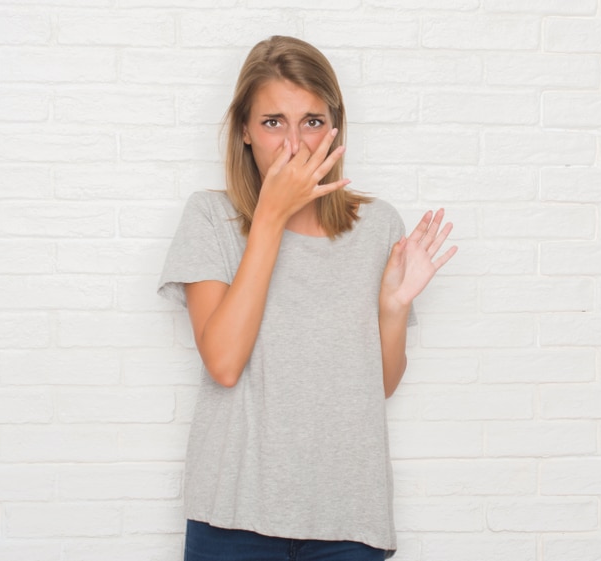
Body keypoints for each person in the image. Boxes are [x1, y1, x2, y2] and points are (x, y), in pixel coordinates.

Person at [158, 35, 456, 561]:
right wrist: (270, 217)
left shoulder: (376, 225)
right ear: (244, 131)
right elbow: (224, 363)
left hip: (349, 517)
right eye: (273, 122)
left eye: (312, 122)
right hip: (234, 516)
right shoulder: (211, 219)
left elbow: (378, 385)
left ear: (335, 128)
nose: (294, 144)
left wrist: (392, 309)